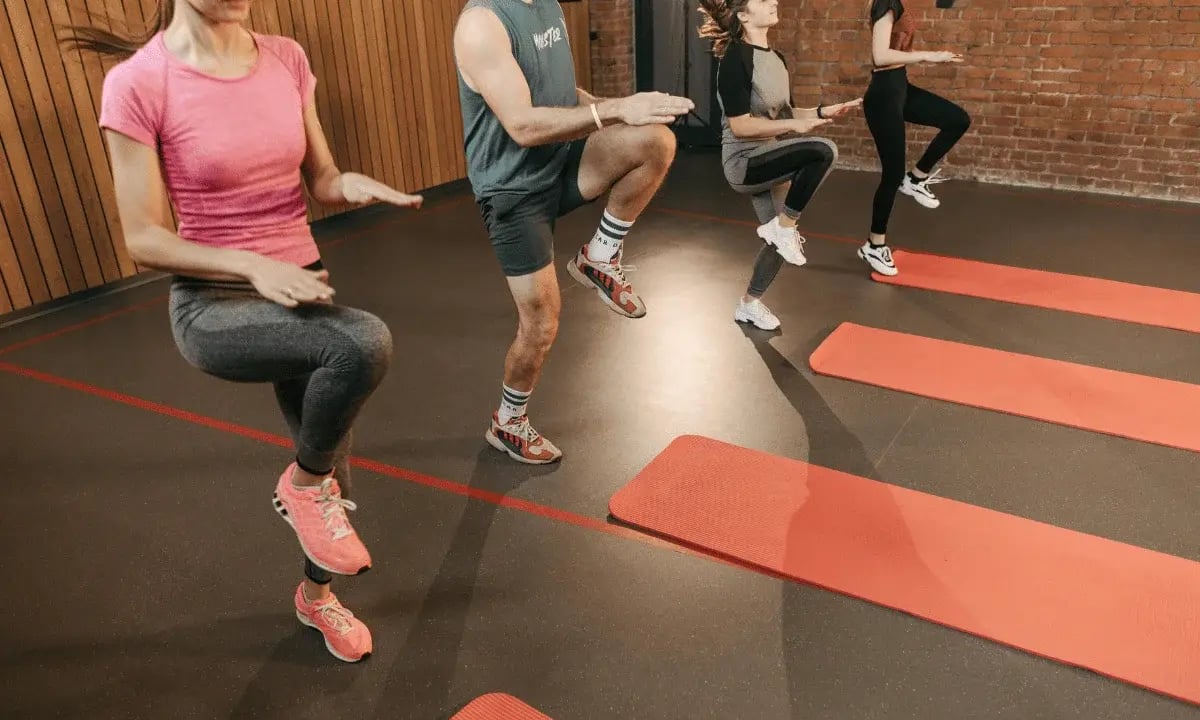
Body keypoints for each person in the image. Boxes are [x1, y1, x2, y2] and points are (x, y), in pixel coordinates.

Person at [61, 0, 423, 663]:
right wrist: (250, 265)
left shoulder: (286, 57)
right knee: (363, 345)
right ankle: (302, 486)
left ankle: (317, 597)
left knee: (334, 472)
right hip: (215, 305)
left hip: (302, 290)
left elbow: (321, 178)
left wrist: (352, 184)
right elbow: (143, 237)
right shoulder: (141, 82)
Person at [453, 0, 694, 464]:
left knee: (655, 140)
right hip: (513, 191)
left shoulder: (547, 6)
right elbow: (522, 124)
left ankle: (599, 256)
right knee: (541, 325)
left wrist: (623, 111)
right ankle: (508, 423)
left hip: (560, 161)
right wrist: (618, 108)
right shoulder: (481, 24)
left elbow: (562, 95)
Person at [698, 0, 861, 331]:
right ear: (743, 15)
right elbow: (741, 126)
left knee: (776, 244)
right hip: (744, 162)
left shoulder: (777, 59)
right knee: (823, 151)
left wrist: (821, 113)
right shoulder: (735, 59)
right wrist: (798, 129)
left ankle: (748, 304)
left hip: (770, 155)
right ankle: (783, 227)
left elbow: (785, 116)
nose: (773, 1)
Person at [857, 0, 970, 276]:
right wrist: (928, 55)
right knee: (891, 174)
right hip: (884, 95)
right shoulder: (887, 2)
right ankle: (875, 244)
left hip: (900, 88)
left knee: (957, 120)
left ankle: (916, 178)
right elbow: (880, 55)